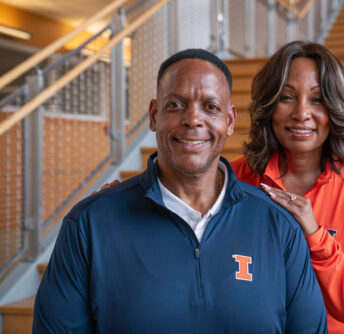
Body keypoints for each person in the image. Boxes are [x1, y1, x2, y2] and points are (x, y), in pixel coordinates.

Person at [32, 49, 328, 333]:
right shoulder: (89, 225)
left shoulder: (279, 225)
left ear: (229, 121)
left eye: (210, 107)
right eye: (176, 105)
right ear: (153, 115)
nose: (193, 119)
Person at [231, 41, 344, 333]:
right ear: (269, 105)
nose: (301, 113)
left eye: (317, 100)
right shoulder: (234, 179)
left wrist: (315, 236)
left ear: (335, 108)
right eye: (287, 98)